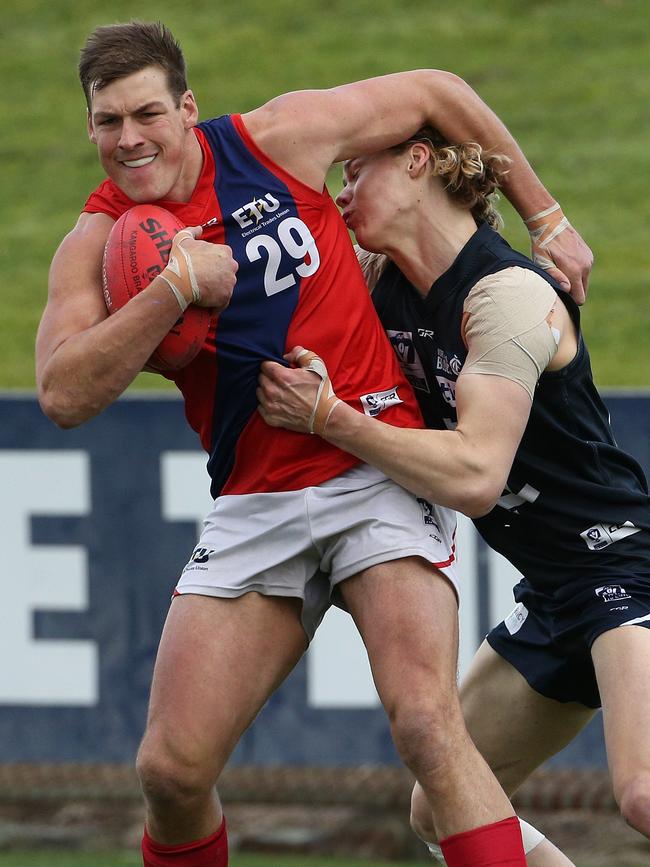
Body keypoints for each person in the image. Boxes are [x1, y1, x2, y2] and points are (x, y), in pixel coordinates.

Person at [35, 20, 593, 867]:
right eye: (107, 121)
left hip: (374, 467)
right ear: (89, 128)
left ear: (187, 108)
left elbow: (438, 90)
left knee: (427, 724)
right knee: (171, 769)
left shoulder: (278, 138)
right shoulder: (98, 243)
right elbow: (62, 394)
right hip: (256, 498)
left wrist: (545, 218)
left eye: (147, 113)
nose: (130, 138)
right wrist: (172, 290)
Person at [257, 127, 650, 866]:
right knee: (442, 805)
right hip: (557, 590)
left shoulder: (507, 295)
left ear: (417, 164)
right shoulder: (384, 281)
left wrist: (330, 419)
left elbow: (476, 475)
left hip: (625, 564)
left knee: (642, 793)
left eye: (355, 170)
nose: (341, 191)